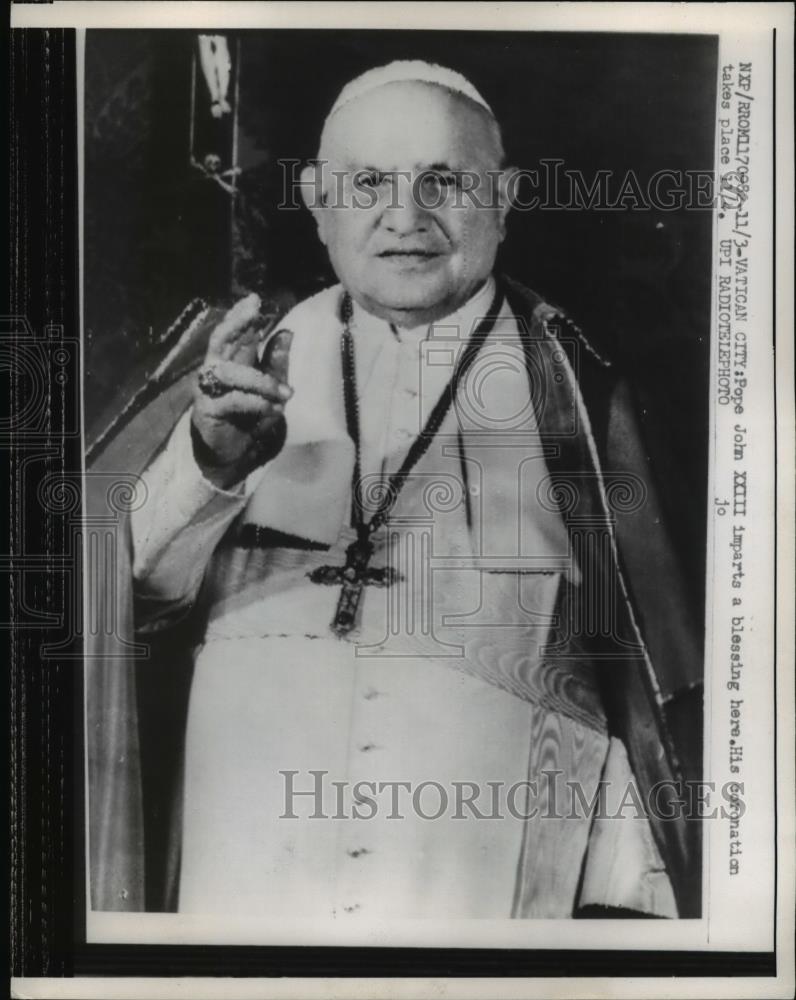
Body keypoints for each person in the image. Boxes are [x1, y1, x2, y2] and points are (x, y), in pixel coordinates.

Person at [86, 61, 702, 921]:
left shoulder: (583, 397)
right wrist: (210, 463)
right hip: (247, 859)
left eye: (443, 181)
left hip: (476, 876)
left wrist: (620, 913)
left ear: (506, 196)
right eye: (368, 181)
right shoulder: (237, 364)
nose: (405, 216)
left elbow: (643, 684)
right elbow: (119, 604)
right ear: (316, 197)